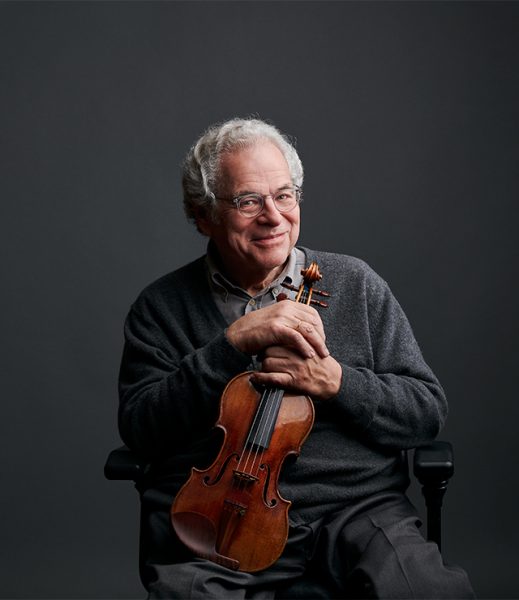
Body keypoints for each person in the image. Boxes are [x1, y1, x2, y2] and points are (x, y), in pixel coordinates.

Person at [118, 117, 474, 599]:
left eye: (284, 195)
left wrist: (338, 382)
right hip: (219, 525)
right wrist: (230, 346)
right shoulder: (161, 307)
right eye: (248, 201)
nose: (273, 216)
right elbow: (142, 427)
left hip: (358, 512)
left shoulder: (355, 284)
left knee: (428, 592)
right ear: (203, 215)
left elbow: (425, 411)